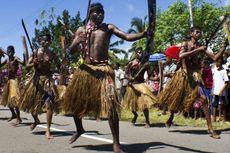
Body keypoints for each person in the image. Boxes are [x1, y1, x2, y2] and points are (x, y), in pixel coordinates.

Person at [62, 3, 147, 153]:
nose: (101, 15)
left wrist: (144, 33)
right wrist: (76, 41)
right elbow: (71, 51)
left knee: (111, 106)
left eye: (102, 13)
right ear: (90, 14)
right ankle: (80, 129)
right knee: (75, 103)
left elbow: (127, 36)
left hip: (104, 71)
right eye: (97, 13)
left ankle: (116, 143)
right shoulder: (81, 30)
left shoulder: (109, 28)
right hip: (85, 71)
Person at [157, 27, 229, 139]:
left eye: (200, 32)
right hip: (183, 76)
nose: (199, 33)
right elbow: (181, 56)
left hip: (195, 76)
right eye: (197, 32)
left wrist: (224, 46)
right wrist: (197, 50)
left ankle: (210, 129)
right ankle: (171, 116)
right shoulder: (185, 44)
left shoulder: (201, 46)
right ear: (191, 33)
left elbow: (215, 57)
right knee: (177, 99)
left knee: (204, 100)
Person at [19, 34, 61, 139]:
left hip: (47, 80)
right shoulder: (35, 52)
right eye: (43, 40)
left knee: (49, 104)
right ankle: (36, 120)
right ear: (40, 41)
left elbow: (60, 67)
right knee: (32, 105)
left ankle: (48, 130)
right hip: (36, 80)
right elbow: (27, 67)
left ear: (50, 42)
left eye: (47, 41)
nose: (45, 42)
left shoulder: (52, 54)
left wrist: (61, 66)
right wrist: (33, 63)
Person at [122, 47, 156, 128]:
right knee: (132, 105)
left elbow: (150, 76)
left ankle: (147, 121)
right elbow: (126, 74)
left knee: (144, 105)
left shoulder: (145, 64)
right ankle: (135, 115)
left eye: (141, 52)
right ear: (135, 53)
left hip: (141, 85)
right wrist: (130, 78)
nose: (140, 54)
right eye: (138, 52)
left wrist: (155, 78)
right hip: (132, 86)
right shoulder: (131, 63)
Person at [0, 45, 24, 125]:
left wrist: (24, 56)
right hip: (8, 82)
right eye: (8, 51)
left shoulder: (16, 58)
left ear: (14, 52)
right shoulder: (6, 60)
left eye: (11, 51)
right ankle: (13, 114)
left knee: (14, 100)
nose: (9, 53)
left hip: (14, 81)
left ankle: (19, 118)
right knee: (7, 100)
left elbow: (23, 63)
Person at [212, 57, 229, 121]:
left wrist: (221, 91)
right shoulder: (215, 70)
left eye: (218, 62)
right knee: (214, 104)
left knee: (224, 105)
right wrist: (213, 89)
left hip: (222, 91)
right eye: (216, 62)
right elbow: (214, 81)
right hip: (216, 90)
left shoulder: (224, 71)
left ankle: (224, 118)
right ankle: (214, 118)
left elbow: (226, 82)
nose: (216, 63)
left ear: (221, 63)